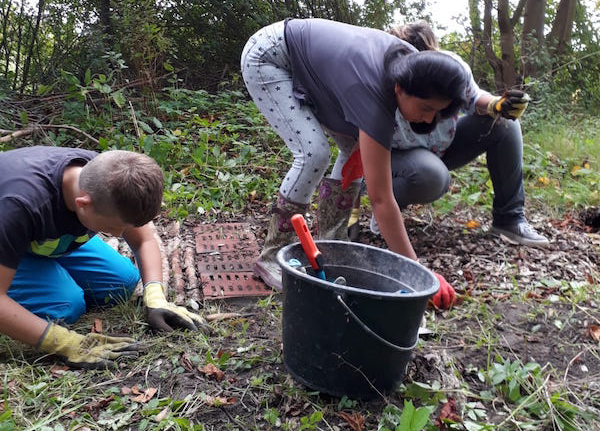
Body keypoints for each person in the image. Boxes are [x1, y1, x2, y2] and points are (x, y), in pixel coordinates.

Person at [241, 18, 468, 308]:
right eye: (425, 109)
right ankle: (272, 255)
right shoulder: (375, 91)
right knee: (314, 153)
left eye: (437, 112)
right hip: (270, 55)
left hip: (316, 66)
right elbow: (381, 199)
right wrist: (420, 274)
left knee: (355, 153)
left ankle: (333, 244)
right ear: (400, 89)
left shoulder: (416, 67)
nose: (428, 119)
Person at [0, 146, 210, 369]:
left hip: (37, 238)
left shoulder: (108, 177)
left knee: (122, 282)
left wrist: (155, 297)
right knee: (66, 305)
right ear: (83, 204)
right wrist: (65, 343)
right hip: (11, 237)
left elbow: (144, 240)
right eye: (111, 228)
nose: (120, 235)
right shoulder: (18, 207)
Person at [368, 21, 549, 249]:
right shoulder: (381, 80)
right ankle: (389, 206)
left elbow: (472, 97)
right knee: (432, 175)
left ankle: (510, 219)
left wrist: (497, 105)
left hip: (442, 146)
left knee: (504, 124)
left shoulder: (451, 68)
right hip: (395, 159)